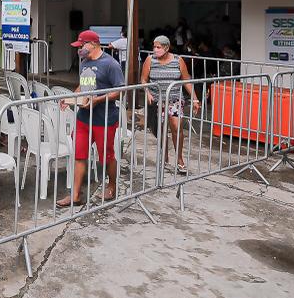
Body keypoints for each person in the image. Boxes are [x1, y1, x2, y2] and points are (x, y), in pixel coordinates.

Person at [56, 30, 125, 207]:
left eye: (81, 45)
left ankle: (112, 186)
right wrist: (70, 98)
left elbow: (119, 91)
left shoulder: (111, 64)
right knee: (79, 155)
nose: (79, 49)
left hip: (104, 119)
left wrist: (98, 100)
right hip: (83, 119)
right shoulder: (84, 62)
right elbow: (83, 85)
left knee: (106, 157)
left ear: (93, 44)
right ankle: (75, 196)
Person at [140, 34, 200, 175]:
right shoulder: (150, 60)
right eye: (154, 47)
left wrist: (195, 99)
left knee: (176, 128)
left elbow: (186, 80)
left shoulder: (178, 60)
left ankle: (179, 159)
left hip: (175, 100)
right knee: (160, 130)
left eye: (158, 47)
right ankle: (164, 155)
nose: (155, 49)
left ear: (166, 48)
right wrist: (147, 92)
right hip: (157, 101)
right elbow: (143, 79)